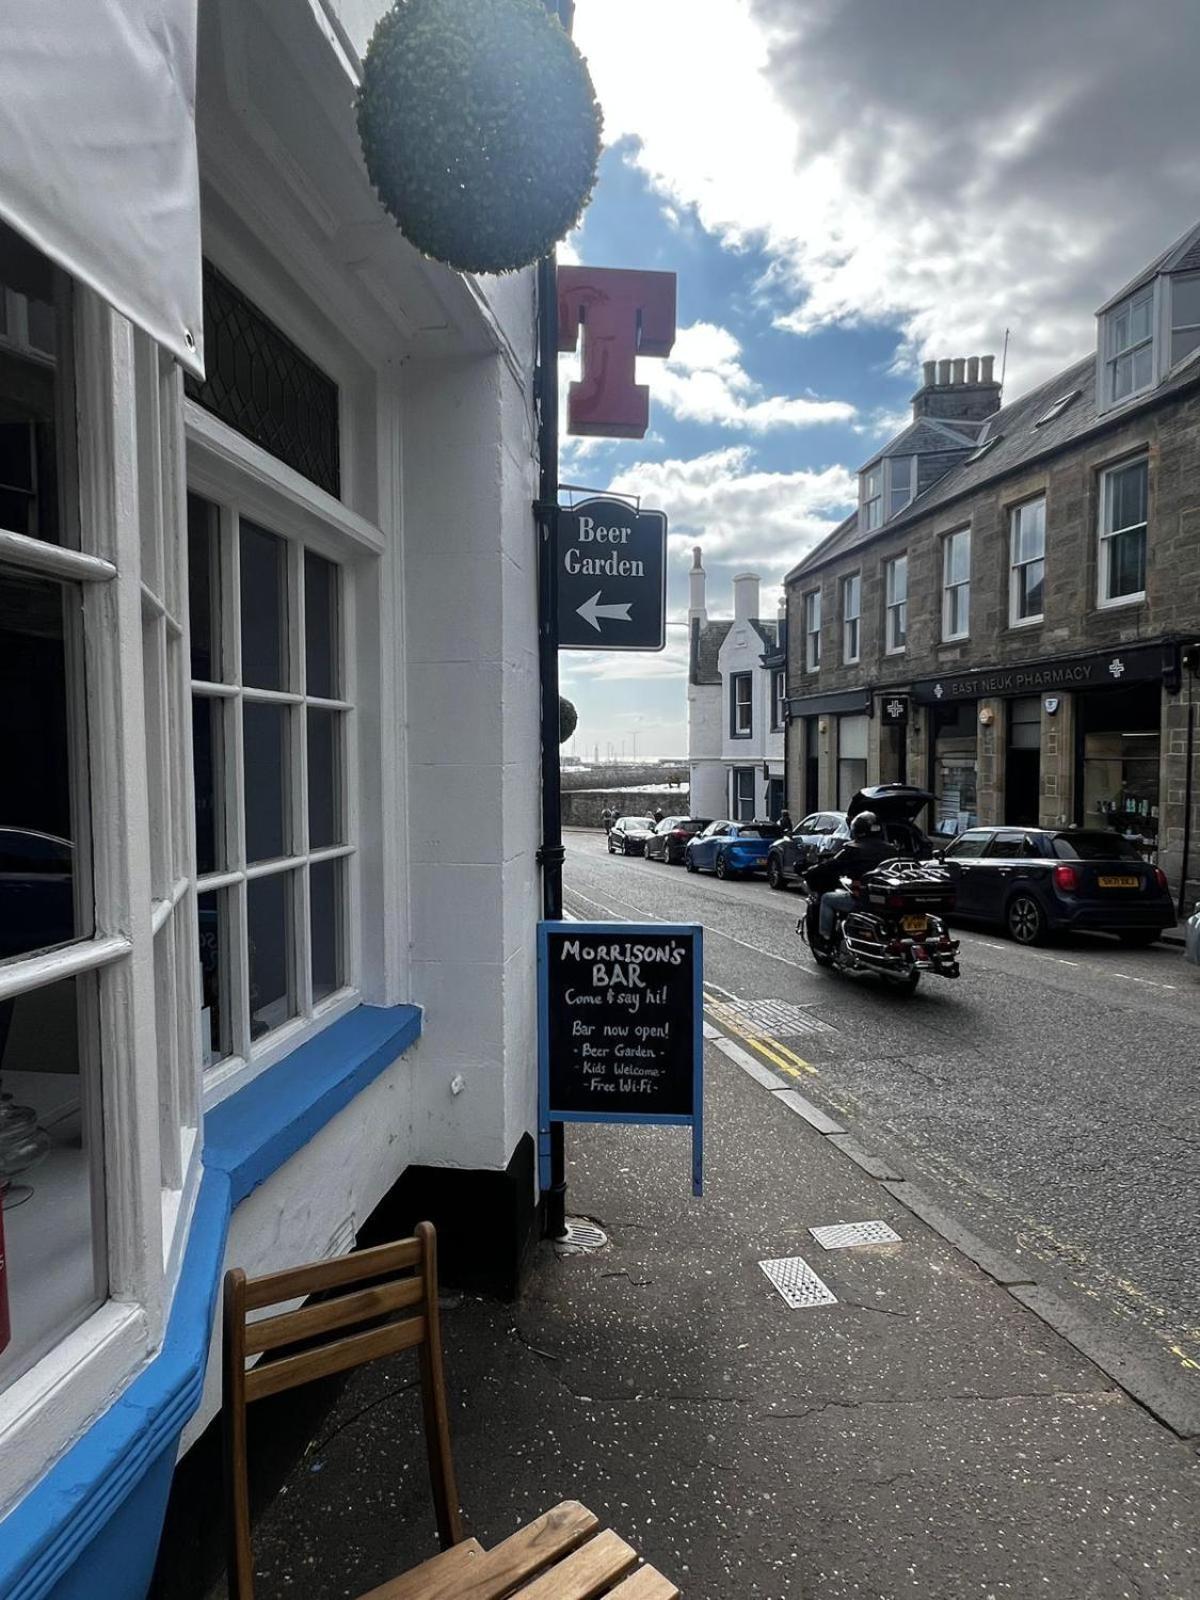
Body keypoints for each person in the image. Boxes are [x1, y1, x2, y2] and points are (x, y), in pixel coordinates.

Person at [805, 811, 899, 942]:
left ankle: (824, 937)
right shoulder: (891, 849)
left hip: (861, 899)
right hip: (883, 900)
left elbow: (832, 865)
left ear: (857, 830)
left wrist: (811, 871)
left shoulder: (853, 848)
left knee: (827, 898)